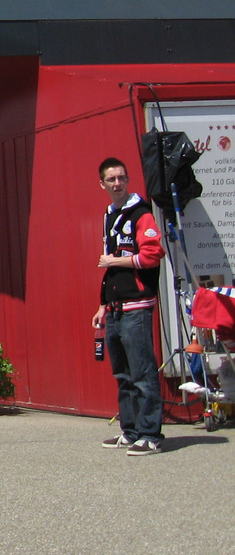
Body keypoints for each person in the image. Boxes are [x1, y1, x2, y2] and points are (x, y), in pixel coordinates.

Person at [92, 157, 166, 456]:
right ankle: (131, 430)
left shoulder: (141, 213)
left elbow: (152, 254)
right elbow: (110, 270)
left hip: (137, 306)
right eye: (111, 179)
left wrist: (116, 260)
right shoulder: (109, 214)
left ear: (128, 179)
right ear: (103, 184)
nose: (117, 184)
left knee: (143, 372)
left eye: (121, 178)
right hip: (115, 308)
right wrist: (101, 306)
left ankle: (150, 434)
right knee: (122, 374)